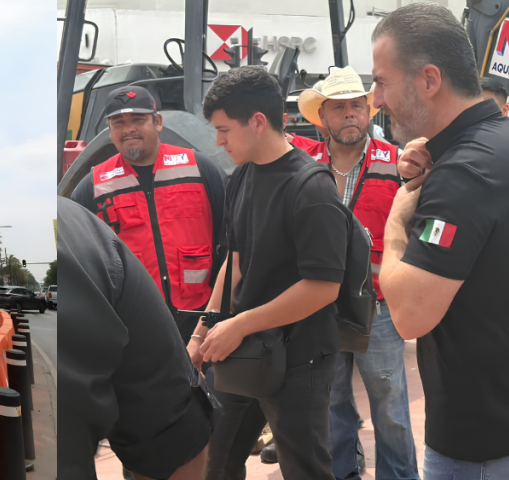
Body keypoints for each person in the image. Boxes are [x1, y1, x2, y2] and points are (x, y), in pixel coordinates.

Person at [373, 2, 509, 479]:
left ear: (429, 80)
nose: (375, 98)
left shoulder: (464, 174)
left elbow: (409, 315)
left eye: (381, 81)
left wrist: (398, 218)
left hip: (479, 444)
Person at [192, 65, 349, 480]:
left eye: (224, 129)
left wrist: (241, 324)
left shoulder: (312, 188)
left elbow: (322, 288)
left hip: (300, 358)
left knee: (306, 470)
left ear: (258, 122)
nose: (218, 141)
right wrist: (202, 332)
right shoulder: (242, 176)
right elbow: (236, 261)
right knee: (216, 462)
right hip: (242, 350)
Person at [297, 66, 419, 480]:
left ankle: (399, 476)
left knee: (390, 402)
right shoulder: (305, 167)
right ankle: (343, 472)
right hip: (320, 303)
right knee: (330, 401)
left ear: (368, 113)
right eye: (339, 108)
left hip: (377, 309)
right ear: (323, 117)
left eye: (357, 106)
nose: (349, 114)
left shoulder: (397, 164)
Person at [57, 196, 213, 480]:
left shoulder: (200, 170)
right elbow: (171, 432)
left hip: (179, 321)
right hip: (152, 331)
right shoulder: (85, 207)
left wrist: (201, 332)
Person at [70, 84, 226, 343]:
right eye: (118, 122)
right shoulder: (93, 186)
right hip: (133, 323)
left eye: (138, 119)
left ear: (158, 122)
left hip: (199, 318)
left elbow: (230, 242)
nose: (128, 128)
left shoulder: (200, 169)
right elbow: (80, 261)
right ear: (110, 130)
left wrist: (221, 314)